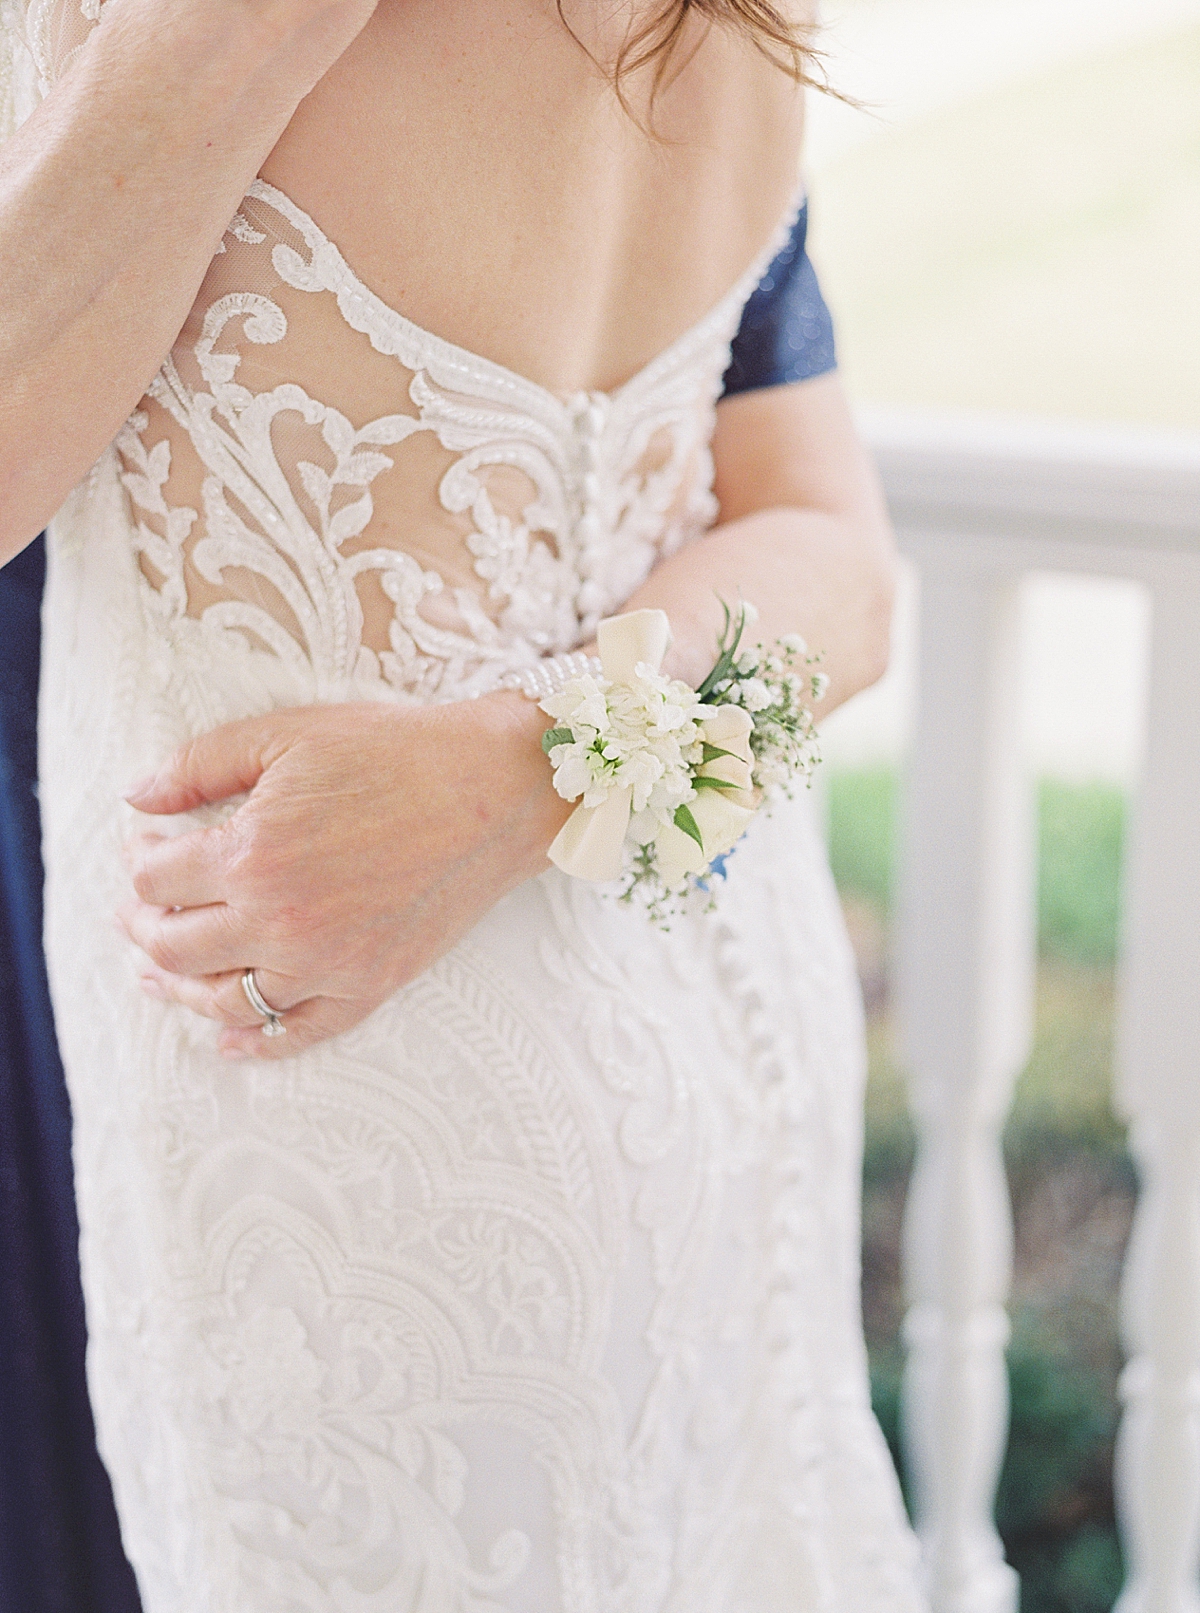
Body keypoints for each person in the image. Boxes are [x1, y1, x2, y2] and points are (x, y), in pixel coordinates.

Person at [0, 0, 923, 1607]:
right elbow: (837, 566)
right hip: (711, 1005)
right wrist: (565, 762)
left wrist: (519, 767)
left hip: (358, 1121)